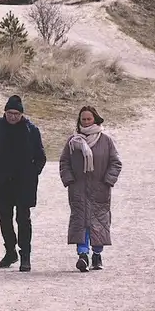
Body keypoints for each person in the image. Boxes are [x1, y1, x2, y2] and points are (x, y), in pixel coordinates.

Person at [0, 94, 46, 272]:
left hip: (23, 183)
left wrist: (32, 174)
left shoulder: (31, 130)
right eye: (10, 113)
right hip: (0, 182)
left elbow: (40, 157)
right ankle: (10, 251)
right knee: (4, 218)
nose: (13, 116)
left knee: (23, 219)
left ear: (22, 114)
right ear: (4, 112)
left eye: (16, 113)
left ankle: (25, 256)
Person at [60, 105, 122, 272]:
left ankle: (97, 254)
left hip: (100, 189)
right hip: (78, 190)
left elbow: (116, 163)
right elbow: (64, 162)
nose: (86, 122)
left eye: (89, 119)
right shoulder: (73, 142)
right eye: (83, 119)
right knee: (81, 222)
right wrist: (69, 180)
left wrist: (108, 181)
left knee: (98, 222)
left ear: (95, 119)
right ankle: (82, 255)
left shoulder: (106, 140)